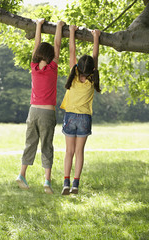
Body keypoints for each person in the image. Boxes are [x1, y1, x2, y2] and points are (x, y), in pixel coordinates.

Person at [16, 18, 65, 194]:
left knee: (30, 144)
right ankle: (47, 181)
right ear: (51, 55)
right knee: (46, 146)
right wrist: (59, 26)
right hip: (47, 113)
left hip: (33, 111)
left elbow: (36, 45)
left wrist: (38, 25)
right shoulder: (52, 67)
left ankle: (22, 175)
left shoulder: (34, 67)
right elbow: (57, 45)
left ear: (37, 54)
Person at [60, 25, 101, 195]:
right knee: (79, 152)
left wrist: (71, 32)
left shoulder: (74, 77)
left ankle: (66, 183)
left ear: (77, 67)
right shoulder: (92, 80)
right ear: (92, 69)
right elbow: (95, 56)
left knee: (69, 152)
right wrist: (96, 36)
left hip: (70, 117)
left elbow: (72, 52)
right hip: (84, 119)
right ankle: (76, 184)